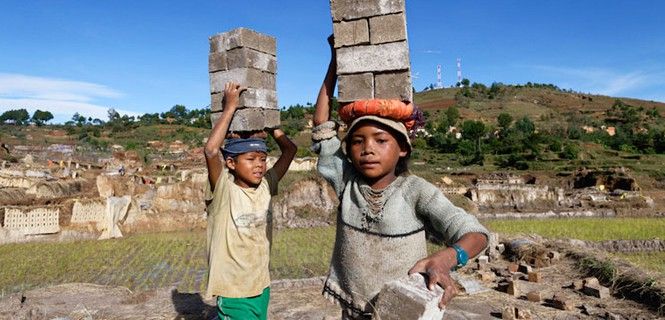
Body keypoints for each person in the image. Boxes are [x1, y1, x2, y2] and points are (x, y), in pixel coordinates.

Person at [312, 37, 489, 319]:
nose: (367, 148)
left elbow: (476, 234)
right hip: (354, 310)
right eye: (357, 141)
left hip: (402, 310)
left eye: (381, 140)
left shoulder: (415, 191)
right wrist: (335, 63)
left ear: (403, 147)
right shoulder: (347, 182)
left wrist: (446, 258)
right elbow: (322, 127)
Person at [203, 81, 297, 320]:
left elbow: (290, 151)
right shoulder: (224, 189)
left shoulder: (266, 185)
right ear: (232, 163)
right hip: (234, 290)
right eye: (251, 158)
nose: (259, 165)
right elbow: (212, 151)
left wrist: (272, 125)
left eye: (263, 159)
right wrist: (230, 108)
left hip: (260, 285)